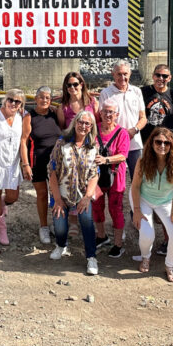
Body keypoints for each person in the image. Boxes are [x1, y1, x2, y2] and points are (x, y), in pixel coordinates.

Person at [130, 127, 173, 282]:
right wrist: (136, 210)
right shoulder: (143, 161)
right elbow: (135, 186)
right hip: (143, 198)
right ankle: (146, 257)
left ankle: (169, 266)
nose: (162, 145)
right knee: (147, 234)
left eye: (166, 143)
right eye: (158, 142)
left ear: (171, 145)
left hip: (165, 201)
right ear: (152, 143)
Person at [48, 111, 102, 276]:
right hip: (61, 192)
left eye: (87, 124)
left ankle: (91, 257)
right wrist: (57, 199)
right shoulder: (62, 143)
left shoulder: (93, 146)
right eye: (81, 122)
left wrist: (87, 197)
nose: (83, 126)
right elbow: (52, 172)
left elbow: (94, 174)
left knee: (87, 222)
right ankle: (61, 245)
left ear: (91, 127)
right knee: (60, 227)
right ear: (75, 123)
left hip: (82, 193)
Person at [20, 86, 60, 244]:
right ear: (36, 99)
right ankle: (43, 226)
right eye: (41, 97)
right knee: (42, 194)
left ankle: (58, 224)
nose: (44, 100)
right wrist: (25, 164)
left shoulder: (55, 114)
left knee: (57, 194)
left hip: (56, 162)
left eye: (47, 98)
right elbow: (23, 141)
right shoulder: (29, 117)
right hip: (37, 161)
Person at [0, 89, 25, 246]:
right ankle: (0, 228)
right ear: (5, 100)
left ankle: (1, 206)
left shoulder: (21, 118)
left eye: (17, 101)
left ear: (21, 104)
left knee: (12, 197)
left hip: (12, 163)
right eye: (10, 100)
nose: (13, 103)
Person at [91, 101, 130, 258]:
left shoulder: (122, 133)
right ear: (100, 113)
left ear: (117, 115)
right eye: (105, 111)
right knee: (97, 207)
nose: (108, 115)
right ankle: (101, 236)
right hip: (97, 176)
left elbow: (123, 155)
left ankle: (118, 244)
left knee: (116, 209)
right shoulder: (94, 130)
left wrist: (105, 160)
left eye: (111, 112)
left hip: (115, 175)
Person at [99, 60, 147, 179]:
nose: (122, 77)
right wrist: (121, 134)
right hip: (114, 145)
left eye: (125, 74)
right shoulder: (106, 93)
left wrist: (134, 130)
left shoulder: (137, 91)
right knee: (115, 180)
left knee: (138, 179)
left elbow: (143, 118)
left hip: (134, 144)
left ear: (130, 74)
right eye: (119, 74)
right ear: (113, 74)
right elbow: (103, 118)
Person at [140, 64, 173, 143]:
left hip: (166, 141)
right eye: (158, 75)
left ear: (169, 78)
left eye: (165, 76)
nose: (161, 78)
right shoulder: (141, 92)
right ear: (153, 76)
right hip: (146, 139)